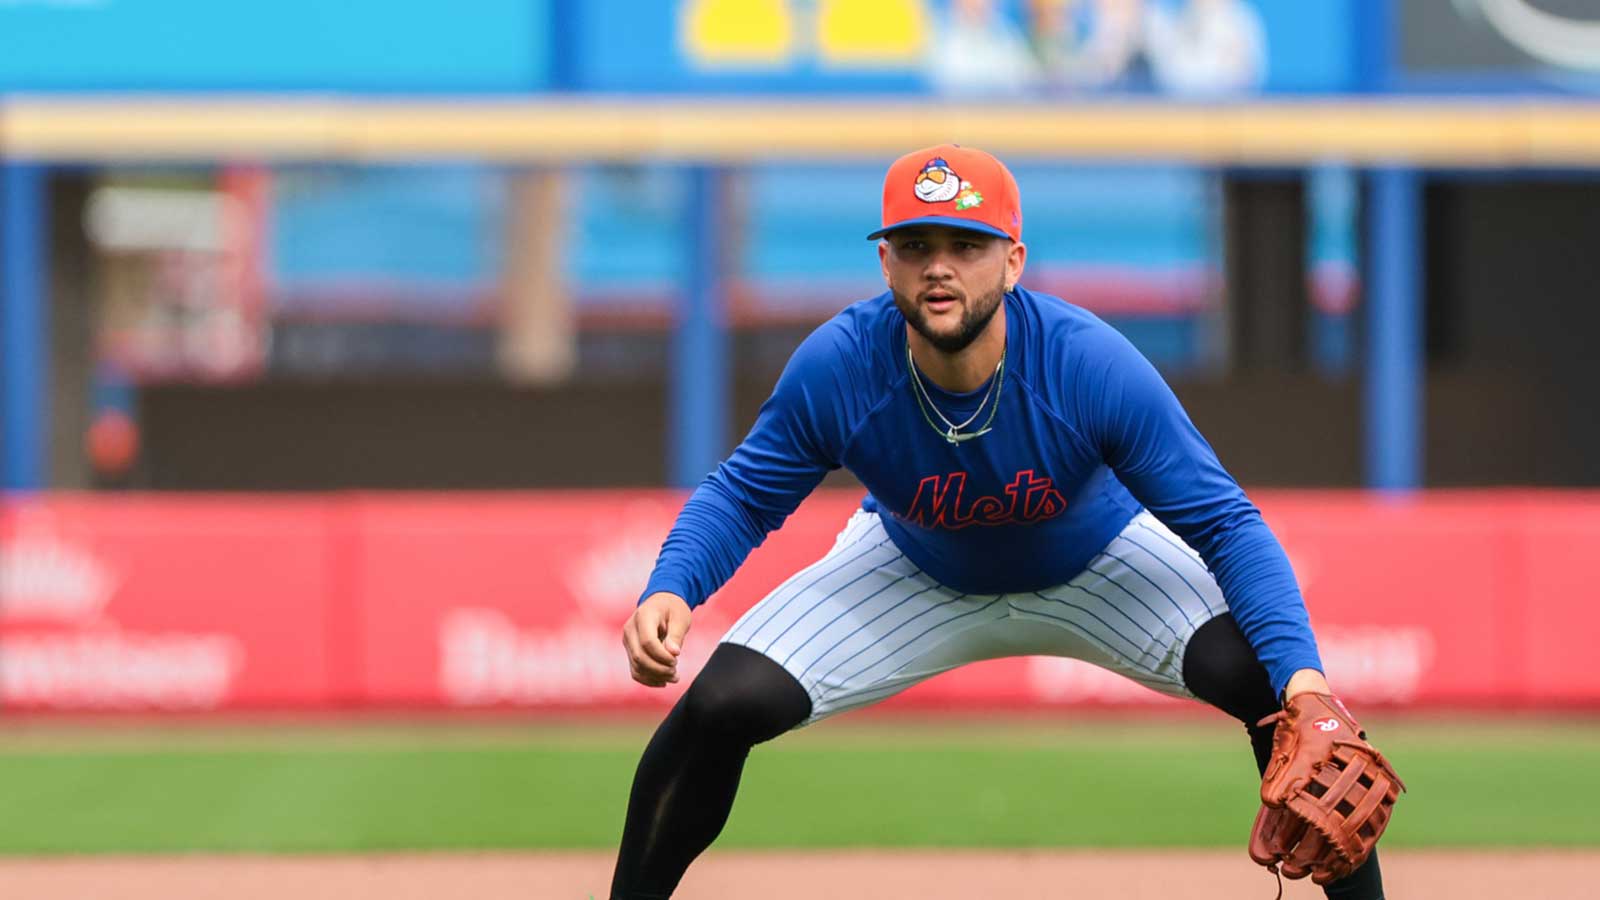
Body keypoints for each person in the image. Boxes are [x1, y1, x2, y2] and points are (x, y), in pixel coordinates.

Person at [612, 144, 1388, 900]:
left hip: (1099, 562)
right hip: (915, 567)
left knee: (1280, 696)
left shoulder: (1087, 364)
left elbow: (1225, 523)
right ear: (885, 263)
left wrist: (1307, 682)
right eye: (915, 245)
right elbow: (745, 494)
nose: (938, 266)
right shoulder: (841, 365)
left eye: (966, 245)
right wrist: (672, 586)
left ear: (1013, 262)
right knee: (718, 706)